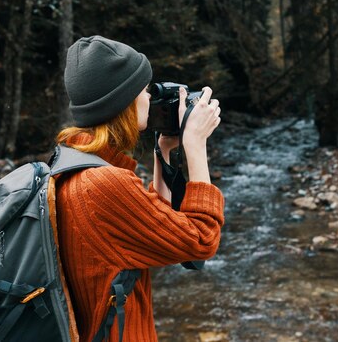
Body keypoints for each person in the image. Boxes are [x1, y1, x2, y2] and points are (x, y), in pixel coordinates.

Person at [55, 35, 225, 341]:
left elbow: (156, 234)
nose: (149, 97)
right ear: (124, 101)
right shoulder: (103, 185)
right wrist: (196, 146)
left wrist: (166, 149)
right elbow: (200, 240)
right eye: (144, 90)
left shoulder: (73, 167)